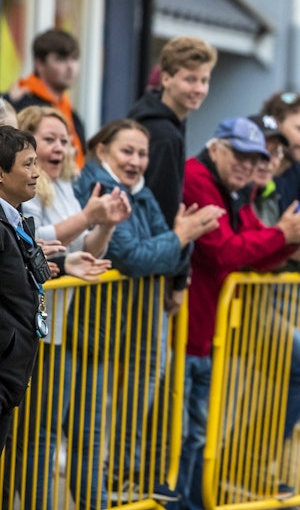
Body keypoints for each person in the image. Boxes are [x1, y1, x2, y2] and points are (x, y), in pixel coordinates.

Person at [178, 117, 300, 508]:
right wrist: (284, 235)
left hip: (209, 327)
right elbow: (225, 252)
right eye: (240, 156)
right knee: (182, 434)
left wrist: (288, 244)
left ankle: (216, 487)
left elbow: (248, 250)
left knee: (197, 432)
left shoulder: (235, 189)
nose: (249, 167)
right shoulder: (198, 179)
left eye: (256, 159)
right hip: (188, 324)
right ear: (216, 149)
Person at [72, 119, 225, 507]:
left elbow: (166, 251)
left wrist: (174, 240)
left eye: (143, 153)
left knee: (138, 400)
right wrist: (180, 235)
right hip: (95, 325)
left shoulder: (141, 192)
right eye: (128, 151)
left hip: (133, 323)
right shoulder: (98, 188)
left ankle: (124, 479)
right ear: (102, 150)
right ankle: (99, 497)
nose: (137, 161)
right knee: (88, 425)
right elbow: (134, 257)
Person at [11, 107, 130, 510]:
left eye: (64, 140)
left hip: (60, 325)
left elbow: (80, 252)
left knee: (69, 431)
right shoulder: (25, 189)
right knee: (39, 433)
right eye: (49, 139)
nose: (59, 147)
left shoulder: (66, 185)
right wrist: (86, 218)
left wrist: (105, 223)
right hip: (36, 325)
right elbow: (34, 244)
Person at [0, 126, 109, 453]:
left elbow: (20, 278)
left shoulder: (15, 218)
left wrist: (61, 259)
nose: (37, 173)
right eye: (28, 164)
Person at [128, 36, 218, 314]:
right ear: (166, 78)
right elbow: (163, 211)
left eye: (204, 80)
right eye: (190, 79)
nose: (199, 89)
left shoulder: (158, 120)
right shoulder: (165, 135)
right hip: (151, 268)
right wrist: (178, 277)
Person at [4, 29, 88, 168]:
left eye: (74, 58)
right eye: (60, 59)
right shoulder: (21, 104)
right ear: (39, 64)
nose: (70, 67)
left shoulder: (70, 111)